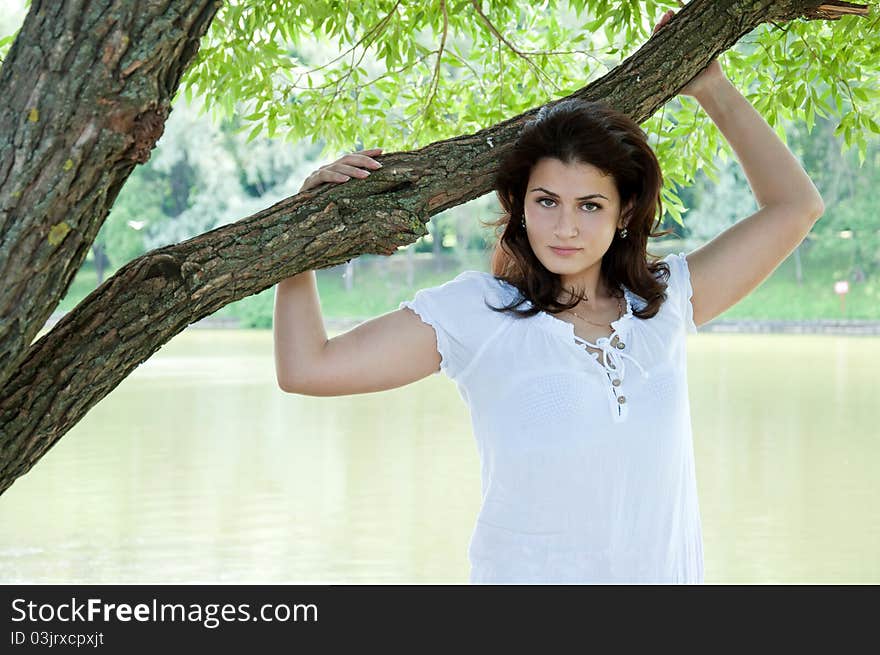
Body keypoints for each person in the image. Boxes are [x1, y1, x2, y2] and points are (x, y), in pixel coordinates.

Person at [273, 7, 824, 584]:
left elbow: (796, 206)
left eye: (590, 205)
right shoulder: (478, 313)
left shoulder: (662, 302)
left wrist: (710, 85)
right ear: (519, 204)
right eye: (546, 201)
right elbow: (308, 368)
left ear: (624, 213)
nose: (565, 227)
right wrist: (299, 234)